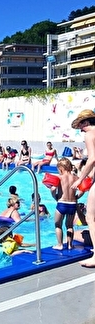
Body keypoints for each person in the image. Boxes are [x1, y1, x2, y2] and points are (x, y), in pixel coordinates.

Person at [70, 109, 95, 266]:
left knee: (91, 217)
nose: (80, 130)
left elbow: (92, 159)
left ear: (86, 122)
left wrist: (80, 179)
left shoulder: (89, 134)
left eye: (80, 126)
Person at [48, 157, 79, 250]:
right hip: (72, 204)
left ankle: (60, 245)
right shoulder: (76, 178)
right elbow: (82, 190)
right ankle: (70, 245)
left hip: (62, 203)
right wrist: (77, 197)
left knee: (58, 225)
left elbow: (53, 189)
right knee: (69, 226)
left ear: (61, 168)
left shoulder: (59, 177)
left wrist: (55, 196)